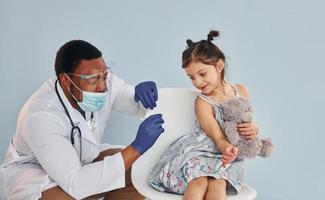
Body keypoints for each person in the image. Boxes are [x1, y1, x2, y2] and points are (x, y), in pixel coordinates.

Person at [0, 40, 165, 200]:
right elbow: (76, 184)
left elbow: (137, 105)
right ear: (66, 80)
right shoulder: (40, 116)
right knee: (73, 195)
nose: (102, 87)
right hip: (34, 175)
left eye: (104, 76)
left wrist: (146, 96)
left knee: (137, 169)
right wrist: (136, 148)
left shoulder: (104, 82)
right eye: (93, 79)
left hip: (80, 159)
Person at [148, 30, 259, 200]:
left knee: (218, 183)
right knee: (198, 180)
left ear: (219, 66)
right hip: (201, 151)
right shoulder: (203, 102)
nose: (197, 82)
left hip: (228, 155)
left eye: (202, 74)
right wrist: (226, 149)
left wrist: (253, 129)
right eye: (191, 77)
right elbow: (217, 137)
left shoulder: (240, 91)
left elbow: (247, 122)